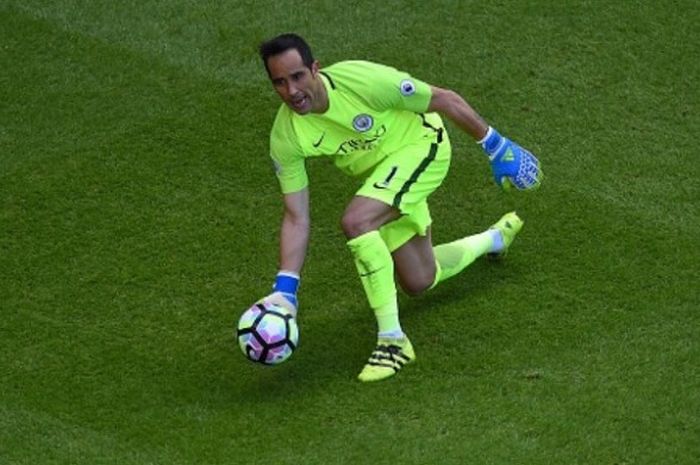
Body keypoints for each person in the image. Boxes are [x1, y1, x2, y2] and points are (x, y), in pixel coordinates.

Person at [255, 33, 541, 382]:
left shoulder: (362, 82)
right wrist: (286, 290)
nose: (292, 91)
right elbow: (296, 216)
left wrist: (497, 147)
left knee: (357, 221)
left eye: (298, 76)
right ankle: (495, 238)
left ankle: (393, 341)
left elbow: (444, 99)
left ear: (316, 69)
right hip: (383, 176)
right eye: (279, 83)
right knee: (420, 279)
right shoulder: (286, 136)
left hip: (423, 147)